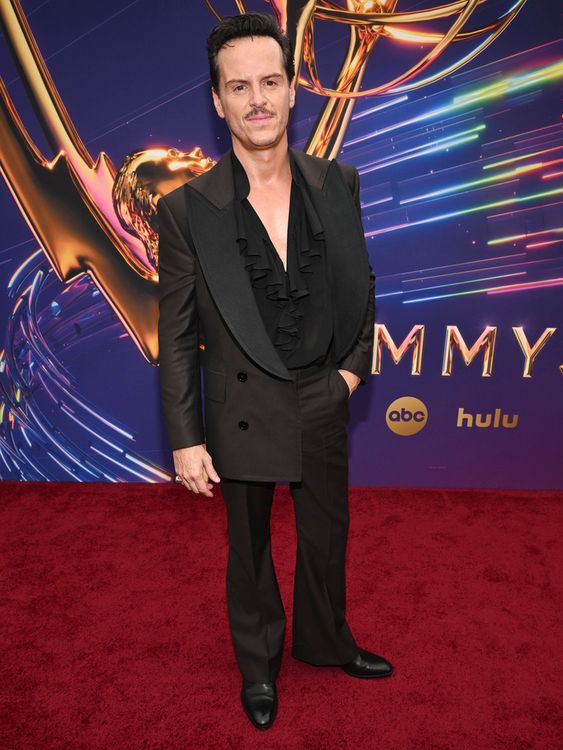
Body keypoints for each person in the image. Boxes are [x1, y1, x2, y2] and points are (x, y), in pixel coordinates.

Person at [157, 11, 393, 731]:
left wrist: (350, 375)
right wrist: (184, 437)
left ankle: (326, 642)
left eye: (270, 81)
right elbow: (176, 332)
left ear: (293, 91)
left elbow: (362, 285)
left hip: (324, 393)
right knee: (249, 549)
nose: (256, 98)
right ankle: (258, 667)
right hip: (242, 404)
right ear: (218, 100)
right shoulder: (185, 210)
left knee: (328, 533)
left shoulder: (338, 181)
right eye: (239, 86)